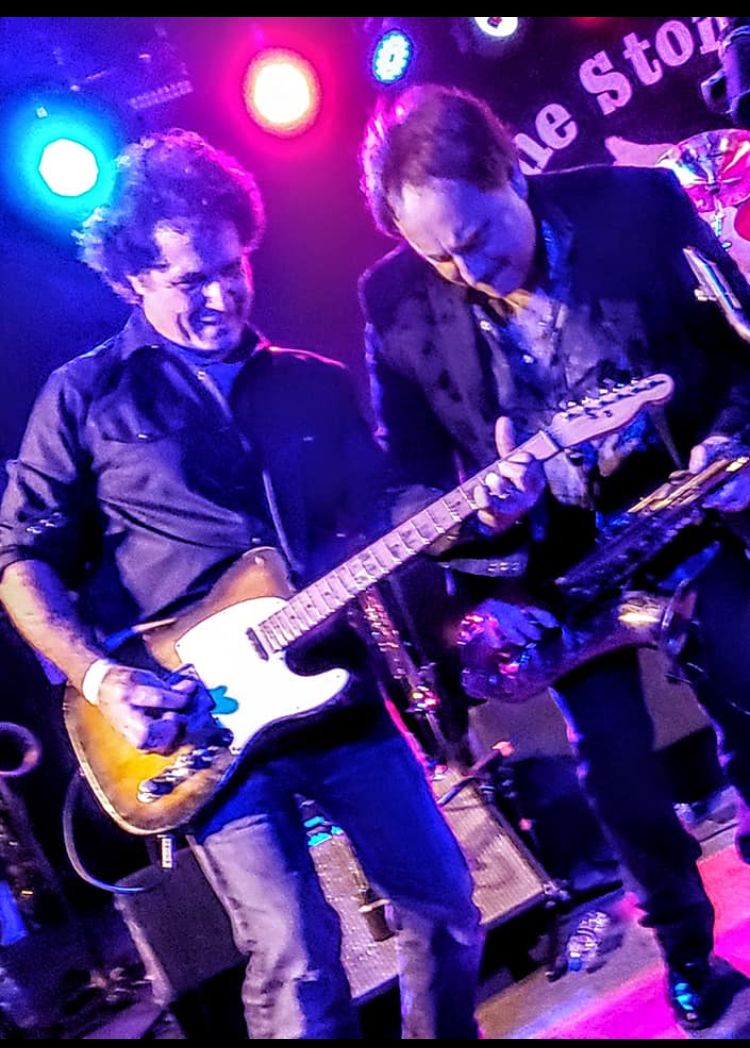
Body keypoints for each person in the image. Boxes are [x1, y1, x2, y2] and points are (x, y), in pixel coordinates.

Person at [0, 127, 527, 1040]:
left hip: (337, 687)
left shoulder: (312, 385)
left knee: (445, 905)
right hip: (198, 721)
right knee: (294, 958)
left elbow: (388, 503)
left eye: (228, 267)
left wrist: (478, 505)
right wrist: (102, 678)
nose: (218, 295)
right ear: (132, 280)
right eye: (188, 280)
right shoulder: (84, 398)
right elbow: (20, 562)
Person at [358, 82, 750, 1031]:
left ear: (512, 172)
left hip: (691, 517)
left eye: (477, 239)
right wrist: (477, 513)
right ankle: (689, 959)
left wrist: (730, 443)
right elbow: (405, 484)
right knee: (619, 779)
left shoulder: (637, 203)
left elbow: (740, 350)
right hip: (561, 575)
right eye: (439, 256)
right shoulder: (392, 300)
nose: (467, 272)